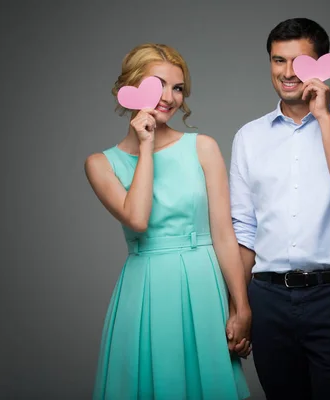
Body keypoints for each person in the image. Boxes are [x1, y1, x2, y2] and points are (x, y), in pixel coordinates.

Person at [229, 18, 330, 399]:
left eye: (298, 63)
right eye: (277, 61)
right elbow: (243, 228)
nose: (286, 73)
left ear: (322, 64)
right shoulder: (249, 137)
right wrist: (239, 307)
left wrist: (324, 117)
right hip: (269, 301)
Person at [85, 43, 251, 400]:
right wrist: (145, 145)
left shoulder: (202, 146)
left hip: (203, 282)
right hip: (145, 288)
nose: (170, 97)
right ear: (128, 87)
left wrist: (241, 306)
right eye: (158, 84)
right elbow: (137, 218)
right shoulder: (101, 164)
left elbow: (224, 234)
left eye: (178, 88)